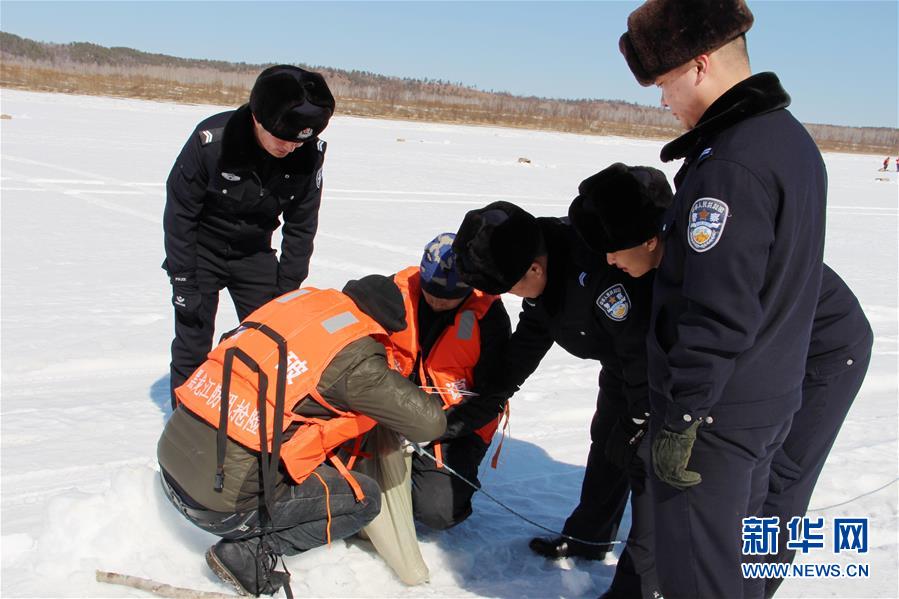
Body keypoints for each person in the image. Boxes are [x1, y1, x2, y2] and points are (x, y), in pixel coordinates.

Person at [578, 170, 872, 599]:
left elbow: (721, 335)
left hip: (824, 352)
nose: (609, 261)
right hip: (769, 349)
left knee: (777, 481)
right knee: (734, 484)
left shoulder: (709, 257)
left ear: (650, 240)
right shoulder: (672, 257)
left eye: (614, 249)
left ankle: (754, 588)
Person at [619, 1, 828, 597]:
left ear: (700, 65)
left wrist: (683, 418)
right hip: (762, 399)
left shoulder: (731, 164)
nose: (663, 101)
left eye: (664, 83)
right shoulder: (788, 140)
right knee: (730, 568)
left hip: (716, 416)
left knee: (699, 578)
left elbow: (717, 310)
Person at [157, 275, 446, 597]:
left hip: (170, 464)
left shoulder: (296, 310)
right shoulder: (355, 355)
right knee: (365, 499)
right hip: (219, 506)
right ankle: (250, 551)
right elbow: (429, 424)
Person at [451, 165, 668, 592]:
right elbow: (532, 335)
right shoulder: (543, 262)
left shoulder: (601, 272)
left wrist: (641, 418)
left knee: (645, 462)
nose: (513, 296)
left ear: (534, 269)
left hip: (658, 371)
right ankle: (589, 537)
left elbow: (640, 349)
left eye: (511, 288)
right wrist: (487, 398)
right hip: (622, 365)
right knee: (606, 443)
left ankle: (643, 580)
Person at [163, 64, 334, 409]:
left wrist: (287, 290)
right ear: (258, 118)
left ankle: (258, 419)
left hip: (254, 253)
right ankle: (186, 425)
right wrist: (183, 279)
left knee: (273, 340)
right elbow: (180, 213)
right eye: (283, 138)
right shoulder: (212, 142)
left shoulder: (306, 156)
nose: (291, 147)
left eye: (299, 140)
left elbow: (301, 227)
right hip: (201, 250)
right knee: (193, 341)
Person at [388, 233, 512, 529]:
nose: (436, 301)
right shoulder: (398, 292)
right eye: (430, 291)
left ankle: (447, 483)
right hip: (393, 406)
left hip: (457, 423)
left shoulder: (489, 318)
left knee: (437, 511)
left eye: (447, 298)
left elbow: (491, 399)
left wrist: (434, 429)